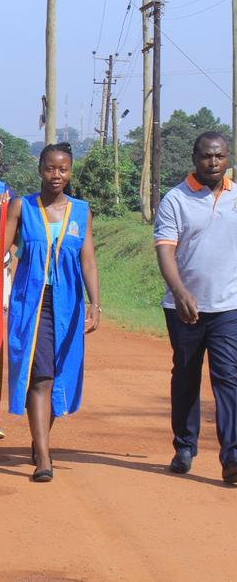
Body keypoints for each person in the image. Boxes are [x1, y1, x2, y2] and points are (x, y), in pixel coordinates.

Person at [4, 143, 99, 483]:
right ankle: (44, 457)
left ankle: (39, 437)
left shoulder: (82, 211)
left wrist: (95, 303)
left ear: (70, 172)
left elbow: (87, 258)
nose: (56, 175)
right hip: (32, 302)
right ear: (39, 169)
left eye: (63, 169)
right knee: (40, 374)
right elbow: (0, 249)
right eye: (50, 168)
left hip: (68, 303)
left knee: (59, 372)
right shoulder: (21, 207)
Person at [154, 131, 237, 484]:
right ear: (195, 157)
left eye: (219, 156)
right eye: (206, 156)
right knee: (186, 374)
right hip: (183, 307)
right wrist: (180, 291)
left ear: (227, 157)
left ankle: (232, 455)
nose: (213, 162)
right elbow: (165, 250)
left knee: (229, 377)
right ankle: (184, 446)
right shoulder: (176, 199)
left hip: (229, 306)